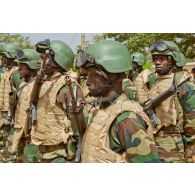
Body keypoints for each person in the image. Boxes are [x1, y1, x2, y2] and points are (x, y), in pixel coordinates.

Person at [77, 40, 160, 163]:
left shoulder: (127, 119)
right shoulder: (101, 107)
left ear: (111, 76)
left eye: (93, 75)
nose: (88, 82)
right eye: (87, 76)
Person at [30, 39, 86, 163]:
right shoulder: (45, 82)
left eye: (43, 57)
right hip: (44, 148)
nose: (39, 61)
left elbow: (80, 125)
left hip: (61, 153)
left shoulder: (67, 87)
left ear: (57, 60)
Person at [148, 40, 195, 162]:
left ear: (172, 60)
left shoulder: (183, 84)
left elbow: (192, 122)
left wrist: (190, 151)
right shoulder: (154, 81)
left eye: (162, 59)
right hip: (152, 140)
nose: (157, 62)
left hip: (174, 144)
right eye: (156, 58)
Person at [10, 48, 41, 162]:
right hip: (21, 133)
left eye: (22, 66)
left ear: (32, 66)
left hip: (32, 136)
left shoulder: (40, 86)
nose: (19, 69)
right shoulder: (23, 84)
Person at [0, 42, 23, 162]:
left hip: (13, 119)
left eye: (5, 57)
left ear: (11, 58)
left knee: (12, 153)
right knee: (7, 149)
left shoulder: (16, 74)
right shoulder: (8, 73)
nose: (2, 59)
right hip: (6, 118)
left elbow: (23, 96)